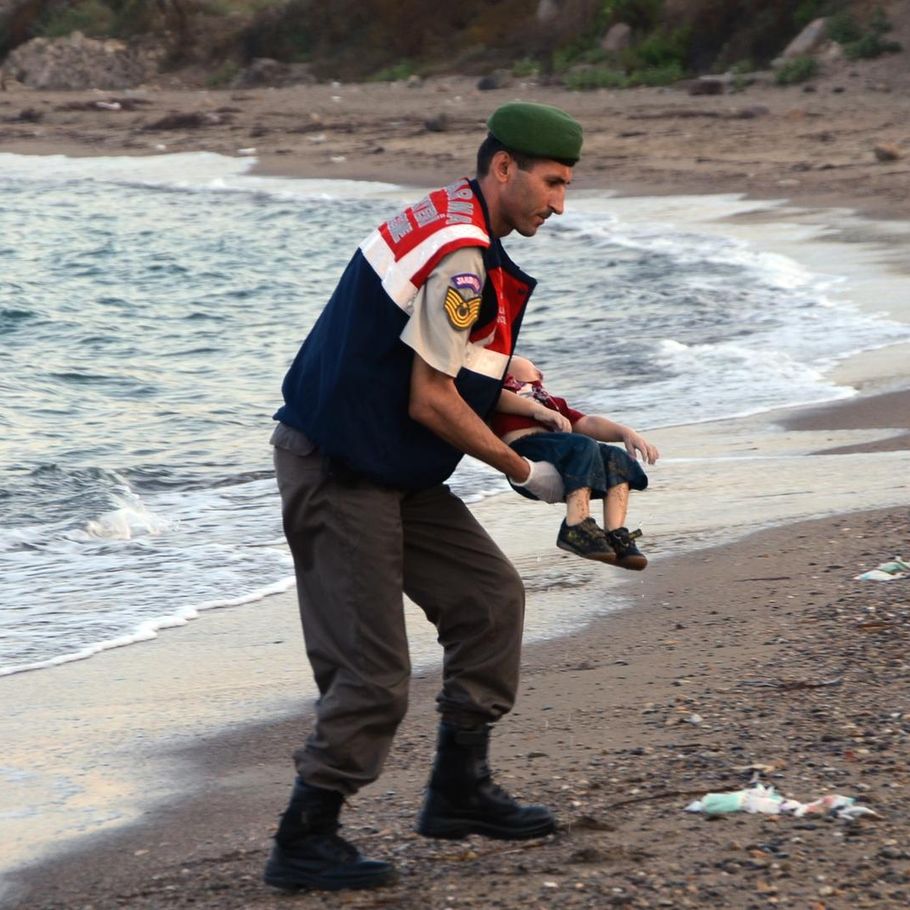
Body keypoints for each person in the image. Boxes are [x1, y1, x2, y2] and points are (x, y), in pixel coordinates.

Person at [265, 101, 584, 893]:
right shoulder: (465, 257)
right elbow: (431, 399)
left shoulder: (453, 218)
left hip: (393, 467)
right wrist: (522, 470)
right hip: (339, 470)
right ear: (503, 167)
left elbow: (449, 359)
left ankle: (457, 789)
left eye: (568, 186)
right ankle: (305, 836)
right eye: (551, 182)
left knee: (489, 598)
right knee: (371, 675)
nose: (560, 203)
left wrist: (527, 399)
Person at [492, 355, 659, 569]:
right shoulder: (499, 390)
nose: (539, 372)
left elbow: (587, 422)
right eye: (533, 365)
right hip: (526, 448)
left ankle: (615, 535)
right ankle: (576, 523)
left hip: (562, 455)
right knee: (583, 445)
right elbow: (497, 397)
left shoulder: (550, 401)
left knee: (615, 457)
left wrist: (625, 432)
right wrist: (539, 411)